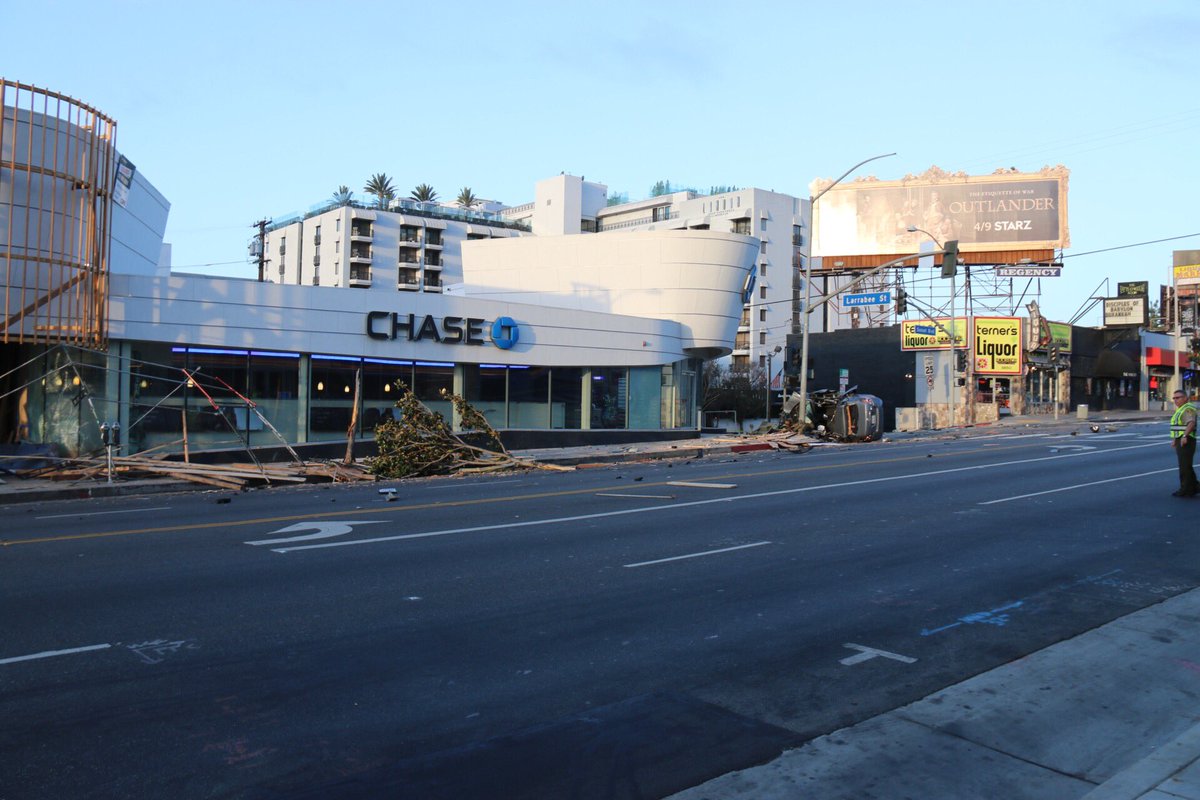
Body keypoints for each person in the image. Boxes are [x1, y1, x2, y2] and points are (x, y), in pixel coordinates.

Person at [1170, 389, 1197, 497]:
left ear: (1185, 398)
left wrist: (1185, 436)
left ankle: (1185, 489)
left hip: (1186, 440)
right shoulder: (1181, 409)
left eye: (1178, 397)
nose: (1175, 400)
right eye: (1174, 398)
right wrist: (1174, 439)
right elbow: (1178, 426)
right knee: (1186, 465)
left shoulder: (1187, 408)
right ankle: (1194, 486)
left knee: (1184, 466)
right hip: (1180, 439)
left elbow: (1191, 423)